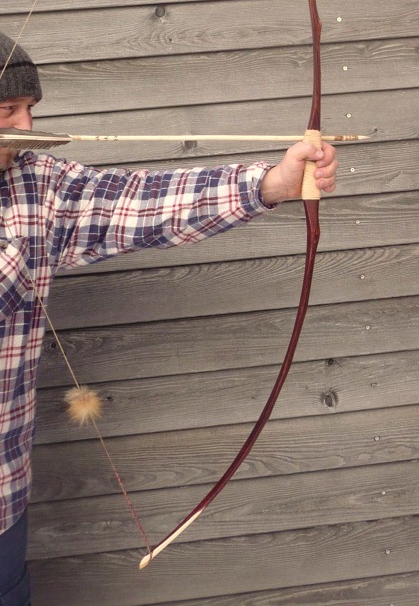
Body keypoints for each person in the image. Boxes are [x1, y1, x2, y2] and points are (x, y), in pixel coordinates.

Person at [0, 32, 337, 606]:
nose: (26, 127)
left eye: (29, 109)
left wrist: (272, 183)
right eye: (9, 110)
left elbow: (143, 200)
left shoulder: (35, 183)